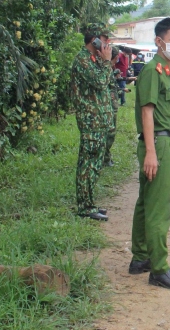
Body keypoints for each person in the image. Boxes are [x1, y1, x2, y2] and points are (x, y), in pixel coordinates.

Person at [130, 17, 170, 291]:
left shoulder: (163, 69)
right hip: (158, 143)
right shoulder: (153, 71)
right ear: (159, 41)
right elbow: (147, 111)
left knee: (146, 202)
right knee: (159, 207)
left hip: (156, 141)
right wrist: (152, 152)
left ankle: (141, 257)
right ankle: (159, 269)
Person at [69, 23, 114, 221]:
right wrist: (106, 61)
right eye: (105, 40)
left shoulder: (94, 59)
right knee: (88, 163)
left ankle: (89, 203)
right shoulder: (83, 61)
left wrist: (104, 61)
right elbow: (100, 82)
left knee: (95, 163)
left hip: (99, 120)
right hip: (90, 120)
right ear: (94, 40)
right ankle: (85, 207)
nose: (107, 44)